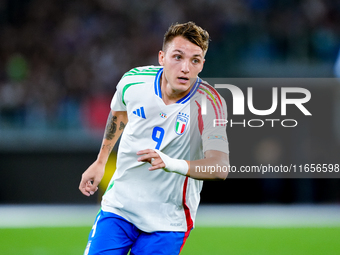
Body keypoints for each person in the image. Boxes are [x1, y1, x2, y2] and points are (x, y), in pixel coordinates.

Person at [79, 21, 230, 255]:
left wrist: (170, 163)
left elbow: (220, 168)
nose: (185, 68)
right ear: (162, 57)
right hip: (120, 207)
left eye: (195, 60)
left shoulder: (210, 103)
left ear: (202, 65)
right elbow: (119, 114)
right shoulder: (134, 81)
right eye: (177, 57)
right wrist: (100, 161)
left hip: (168, 221)